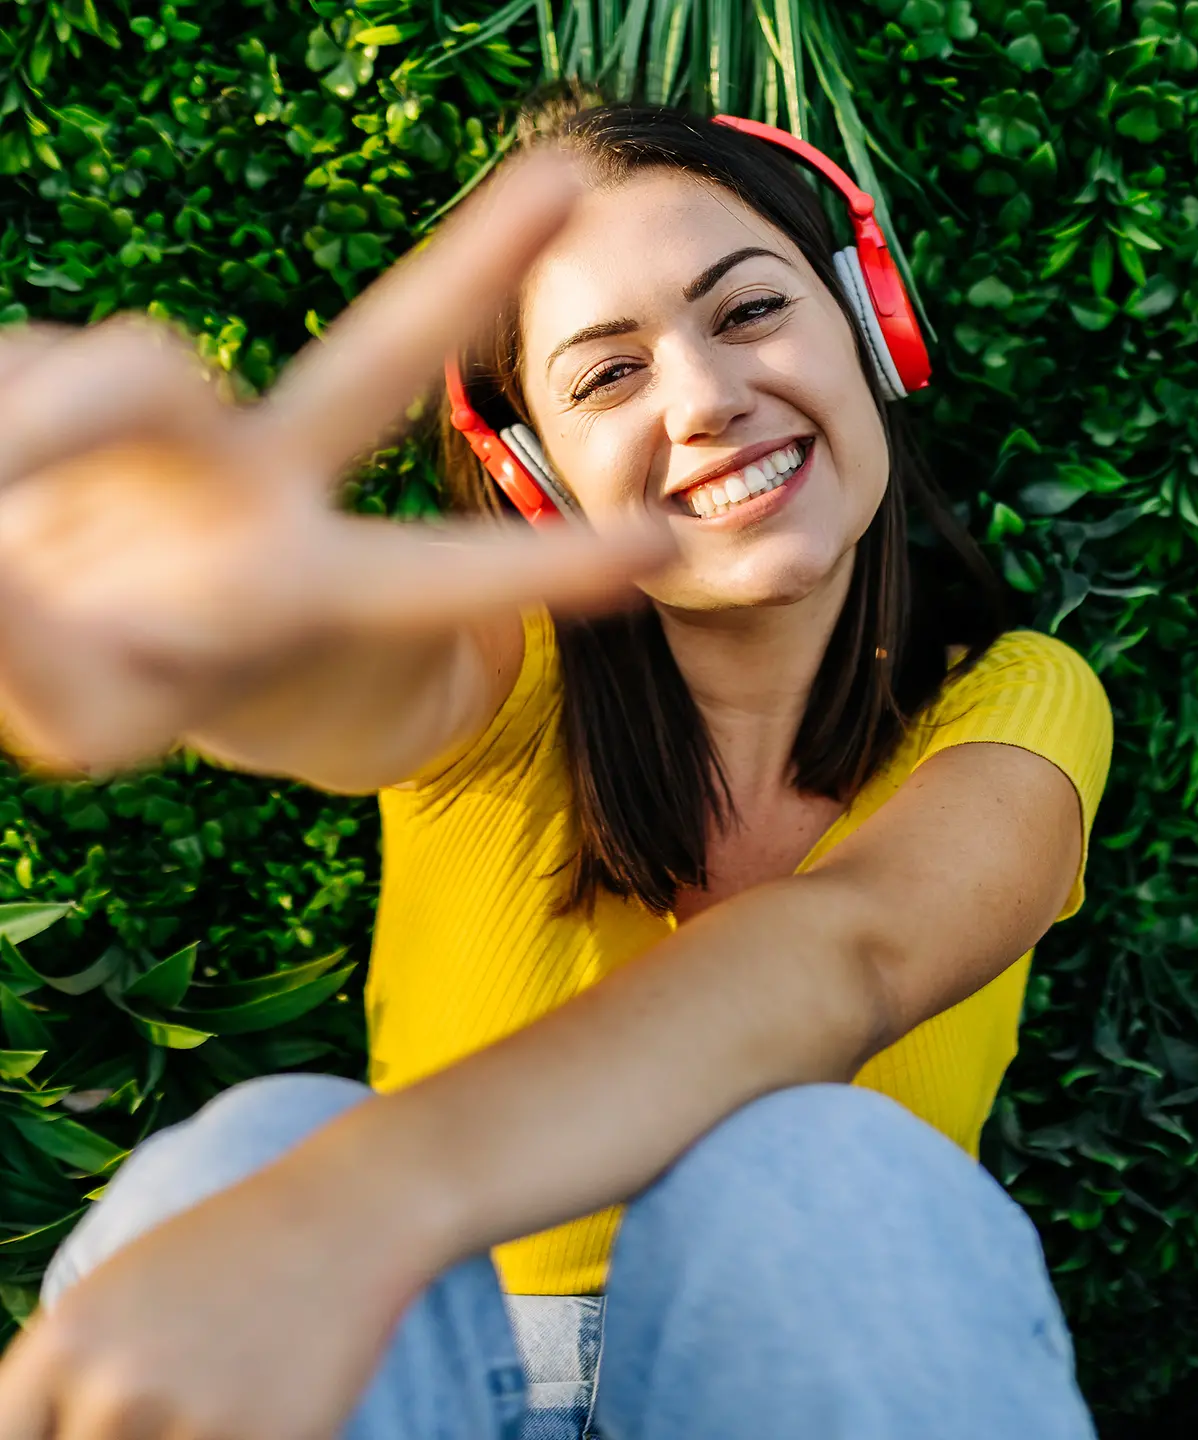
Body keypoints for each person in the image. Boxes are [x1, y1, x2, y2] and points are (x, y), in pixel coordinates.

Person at [0, 93, 1112, 1440]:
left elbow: (850, 954)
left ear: (869, 317)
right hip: (434, 1371)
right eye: (607, 374)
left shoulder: (1015, 704)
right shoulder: (501, 672)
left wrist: (355, 1201)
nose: (706, 399)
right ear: (537, 476)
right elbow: (351, 678)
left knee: (824, 1160)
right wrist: (228, 635)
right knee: (247, 1149)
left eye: (750, 311)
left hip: (794, 1360)